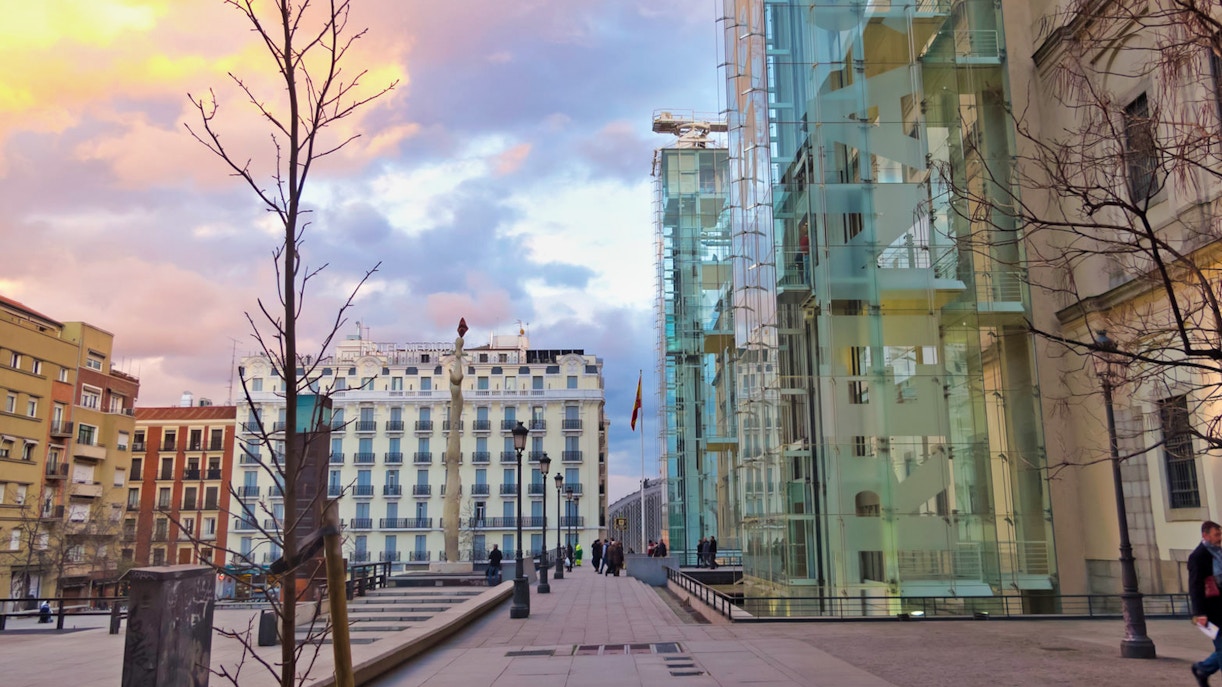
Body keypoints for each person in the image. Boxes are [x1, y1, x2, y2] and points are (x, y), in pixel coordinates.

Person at [1190, 520, 1222, 685]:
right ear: (1205, 535)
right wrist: (1199, 613)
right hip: (1210, 611)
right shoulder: (1198, 557)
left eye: (1220, 534)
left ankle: (1203, 668)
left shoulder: (1218, 552)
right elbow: (1195, 587)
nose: (1220, 538)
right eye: (1216, 535)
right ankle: (1202, 669)